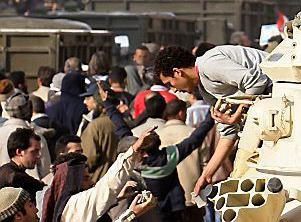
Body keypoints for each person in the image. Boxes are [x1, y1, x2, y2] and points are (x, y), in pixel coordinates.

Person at [153, 45, 270, 195]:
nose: (174, 90)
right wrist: (206, 175)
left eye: (170, 83)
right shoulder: (205, 89)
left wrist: (238, 113)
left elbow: (257, 81)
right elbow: (228, 134)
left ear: (177, 72)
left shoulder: (208, 65)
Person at [102, 88, 214, 222]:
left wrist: (109, 105)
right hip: (174, 210)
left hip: (149, 212)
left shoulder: (137, 163)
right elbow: (195, 139)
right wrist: (211, 115)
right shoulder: (169, 157)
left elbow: (122, 129)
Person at [41, 131, 157, 222]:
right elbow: (108, 186)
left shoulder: (68, 202)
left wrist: (117, 198)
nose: (92, 182)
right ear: (73, 182)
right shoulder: (72, 206)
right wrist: (132, 213)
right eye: (86, 178)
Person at [155, 99, 206, 222]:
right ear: (181, 113)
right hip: (192, 196)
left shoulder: (156, 136)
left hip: (165, 199)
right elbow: (205, 163)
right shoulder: (194, 134)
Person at [0, 96, 50, 181]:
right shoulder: (34, 137)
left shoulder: (1, 131)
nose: (38, 155)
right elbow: (45, 171)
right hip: (30, 189)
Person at [78, 83, 118, 183]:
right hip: (120, 179)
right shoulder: (124, 122)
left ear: (97, 101)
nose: (85, 101)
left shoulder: (95, 126)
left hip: (99, 180)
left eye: (88, 98)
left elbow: (89, 158)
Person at [0, 129, 45, 200]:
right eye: (34, 151)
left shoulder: (5, 170)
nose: (38, 155)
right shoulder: (16, 178)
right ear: (19, 152)